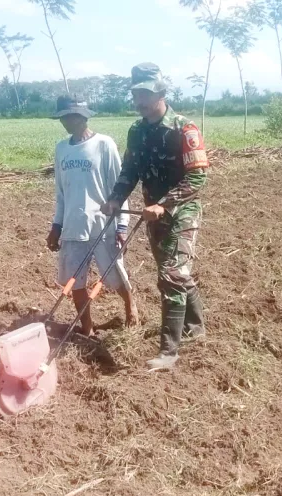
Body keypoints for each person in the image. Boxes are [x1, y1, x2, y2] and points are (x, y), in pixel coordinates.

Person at [101, 63, 209, 371]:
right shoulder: (137, 131)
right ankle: (196, 327)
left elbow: (197, 178)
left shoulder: (183, 128)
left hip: (182, 211)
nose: (139, 100)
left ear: (161, 93)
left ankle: (168, 352)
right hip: (152, 213)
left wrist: (165, 203)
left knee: (171, 275)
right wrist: (115, 199)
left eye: (145, 93)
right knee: (174, 271)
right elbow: (130, 171)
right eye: (136, 94)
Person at [47, 95, 139, 337]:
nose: (68, 121)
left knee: (115, 274)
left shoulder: (104, 145)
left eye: (73, 115)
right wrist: (56, 225)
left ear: (84, 116)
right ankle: (87, 327)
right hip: (73, 226)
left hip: (102, 224)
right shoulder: (61, 149)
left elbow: (121, 187)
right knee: (75, 281)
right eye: (64, 117)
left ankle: (130, 307)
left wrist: (121, 226)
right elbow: (61, 193)